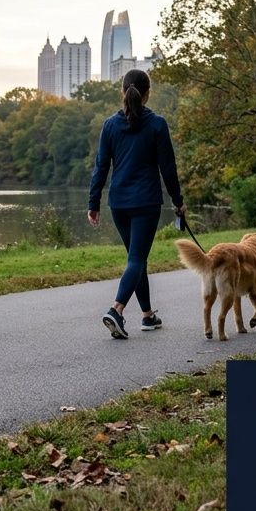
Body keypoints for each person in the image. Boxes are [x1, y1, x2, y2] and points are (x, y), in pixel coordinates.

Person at [87, 69, 185, 339]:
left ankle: (148, 316)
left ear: (123, 91)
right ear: (147, 93)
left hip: (118, 203)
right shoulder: (157, 124)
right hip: (146, 202)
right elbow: (168, 169)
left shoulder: (110, 125)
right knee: (137, 258)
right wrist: (178, 201)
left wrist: (93, 202)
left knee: (135, 257)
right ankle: (116, 310)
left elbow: (100, 167)